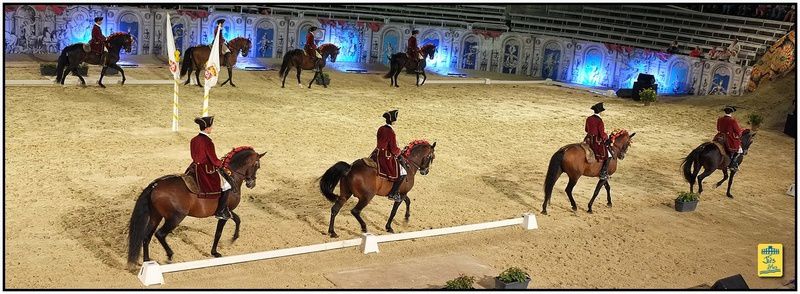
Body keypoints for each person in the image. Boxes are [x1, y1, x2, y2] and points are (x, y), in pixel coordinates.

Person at [190, 116, 235, 220]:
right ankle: (220, 211)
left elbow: (193, 155)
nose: (212, 129)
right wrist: (222, 165)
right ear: (206, 128)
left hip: (194, 167)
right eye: (211, 127)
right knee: (226, 186)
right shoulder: (208, 142)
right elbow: (213, 160)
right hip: (206, 169)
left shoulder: (194, 140)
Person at [370, 110, 406, 202]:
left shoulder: (380, 128)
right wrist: (399, 152)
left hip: (376, 153)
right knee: (402, 173)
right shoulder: (390, 132)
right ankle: (392, 193)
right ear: (393, 121)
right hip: (386, 155)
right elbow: (393, 148)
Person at [585, 103, 611, 181]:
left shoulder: (589, 118)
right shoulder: (600, 121)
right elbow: (601, 133)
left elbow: (586, 129)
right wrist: (606, 137)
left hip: (588, 139)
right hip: (596, 140)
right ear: (600, 112)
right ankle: (603, 172)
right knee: (608, 155)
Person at [715, 106, 745, 172]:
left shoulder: (720, 119)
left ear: (725, 112)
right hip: (728, 138)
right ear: (731, 112)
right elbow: (738, 131)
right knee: (739, 149)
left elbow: (718, 129)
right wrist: (741, 132)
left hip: (719, 136)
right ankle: (732, 164)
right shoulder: (732, 120)